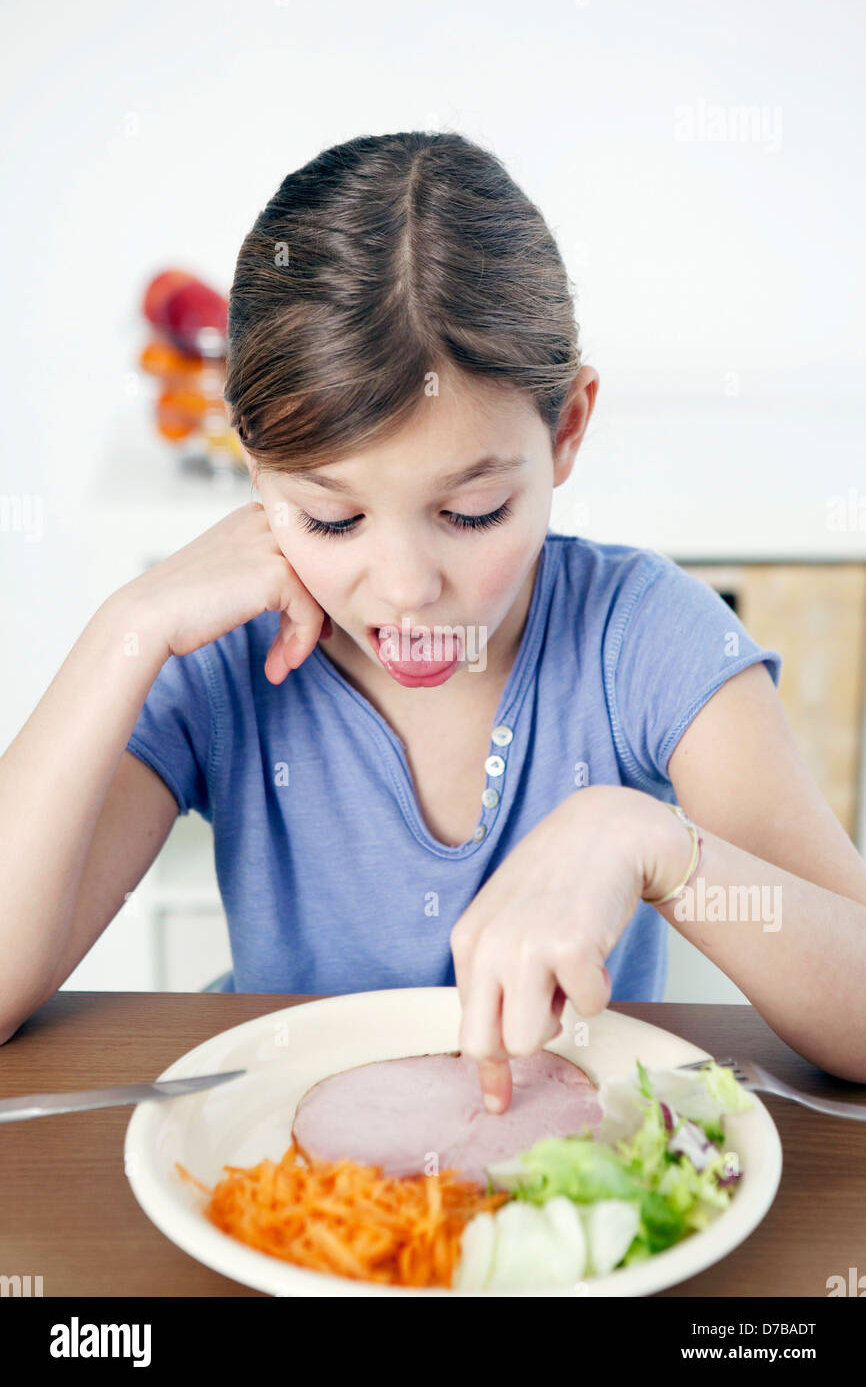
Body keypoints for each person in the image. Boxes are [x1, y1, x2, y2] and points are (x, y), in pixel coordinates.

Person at [4, 133, 866, 1116]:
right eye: (329, 519)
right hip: (287, 1200)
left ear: (566, 429)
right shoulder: (220, 661)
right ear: (251, 464)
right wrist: (127, 629)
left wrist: (647, 837)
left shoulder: (641, 639)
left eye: (470, 514)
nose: (406, 588)